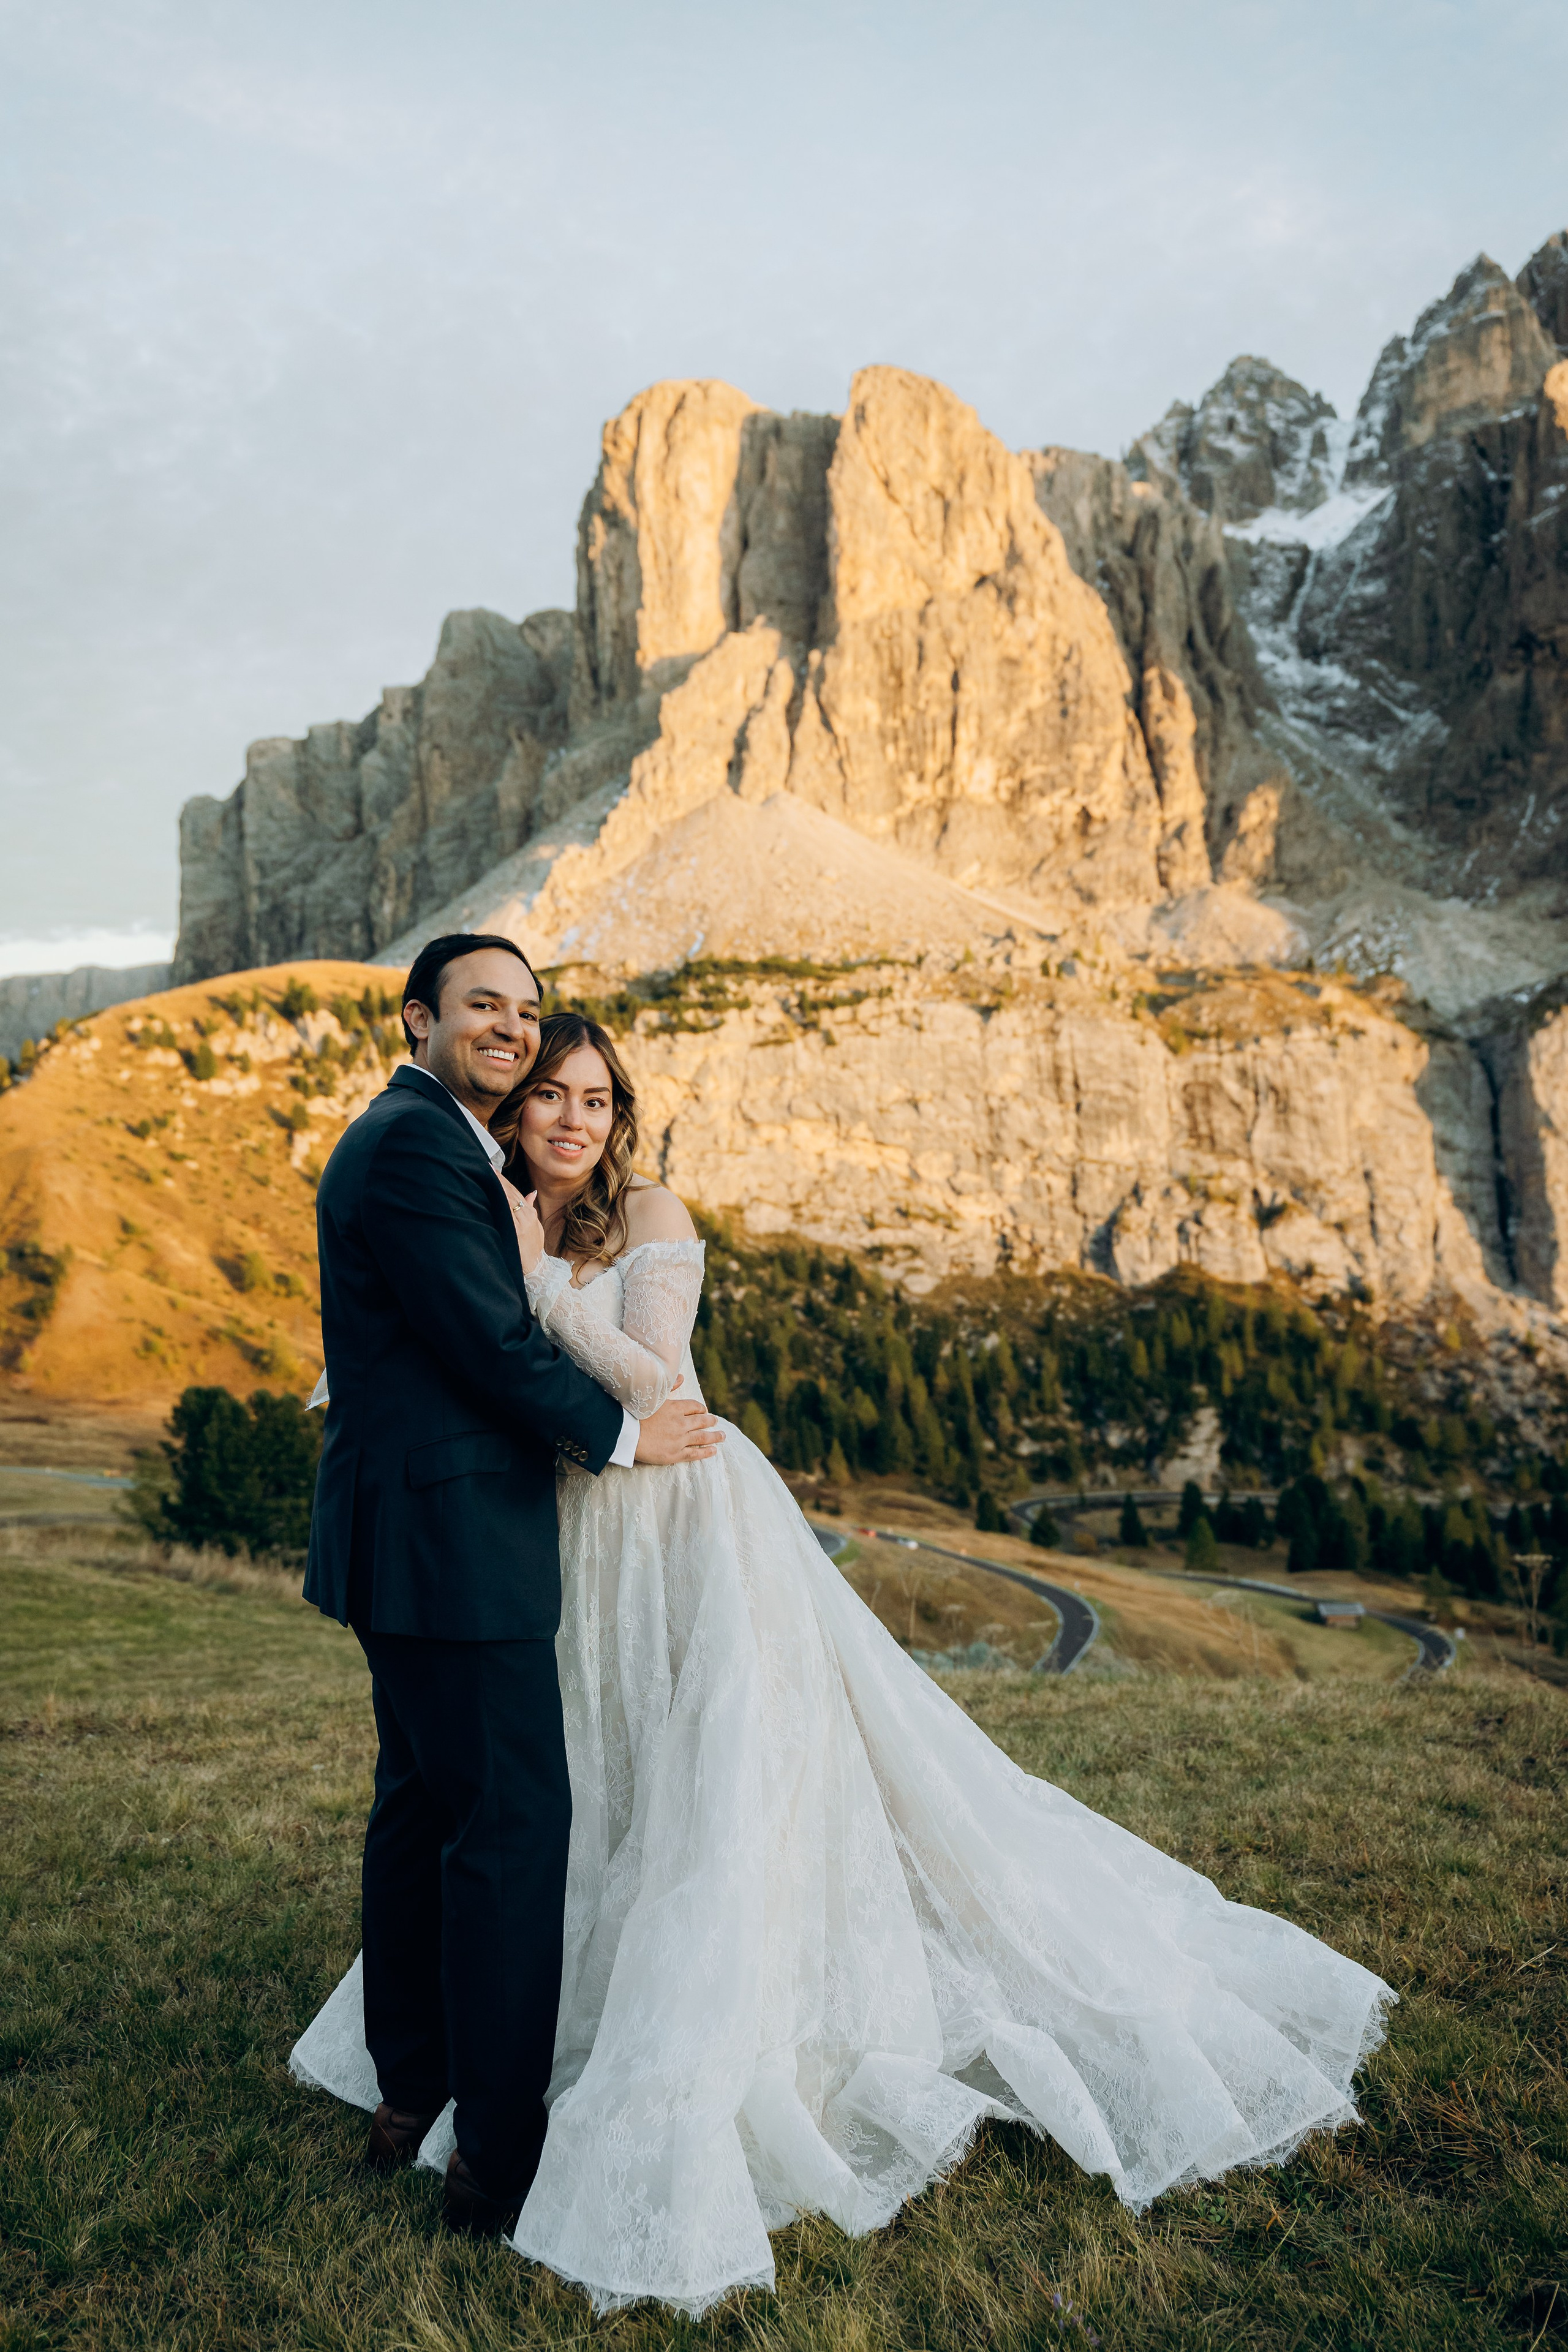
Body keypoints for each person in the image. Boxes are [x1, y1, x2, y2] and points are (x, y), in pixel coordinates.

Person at [295, 1009, 1393, 2317]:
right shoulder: (482, 1215)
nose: (575, 1119)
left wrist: (535, 1284)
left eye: (597, 1097)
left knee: (707, 1772)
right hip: (553, 1532)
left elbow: (655, 1380)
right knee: (581, 1777)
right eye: (549, 1097)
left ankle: (693, 2021)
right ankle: (531, 2027)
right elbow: (442, 1347)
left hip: (679, 1514)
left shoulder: (649, 1215)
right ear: (513, 1113)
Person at [293, 936, 722, 2238]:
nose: (514, 1030)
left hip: (418, 1532)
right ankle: (498, 2157)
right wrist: (619, 1435)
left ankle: (410, 2093)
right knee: (512, 1834)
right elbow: (485, 1341)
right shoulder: (422, 1144)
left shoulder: (430, 1139)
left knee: (424, 1813)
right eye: (485, 1007)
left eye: (526, 1012)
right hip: (455, 1535)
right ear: (420, 1017)